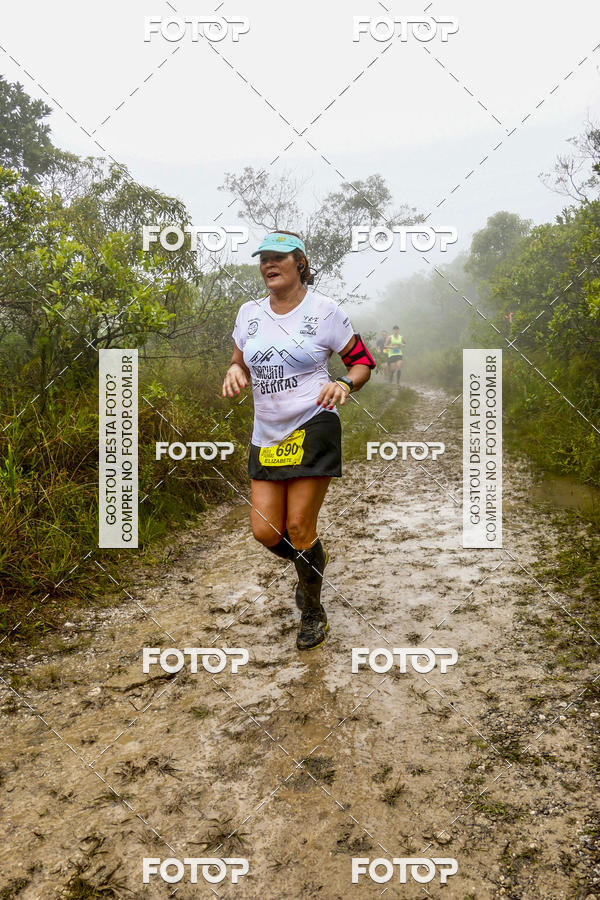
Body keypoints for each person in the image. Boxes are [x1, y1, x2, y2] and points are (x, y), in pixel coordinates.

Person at [222, 230, 376, 650]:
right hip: (266, 433)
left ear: (300, 263)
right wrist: (235, 372)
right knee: (266, 531)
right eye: (263, 258)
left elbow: (362, 361)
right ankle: (311, 571)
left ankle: (313, 612)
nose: (268, 264)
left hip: (314, 423)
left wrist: (345, 383)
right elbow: (239, 361)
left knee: (298, 525)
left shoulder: (325, 311)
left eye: (279, 257)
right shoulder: (249, 312)